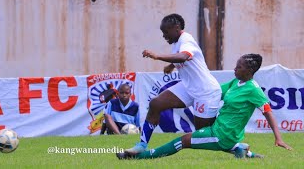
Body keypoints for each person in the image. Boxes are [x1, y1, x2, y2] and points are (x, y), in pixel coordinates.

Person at [117, 54, 292, 160]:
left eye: (239, 66)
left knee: (182, 141)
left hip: (222, 135)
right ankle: (241, 149)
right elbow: (211, 92)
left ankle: (140, 157)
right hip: (218, 128)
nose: (234, 68)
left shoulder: (253, 89)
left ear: (249, 71)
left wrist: (278, 138)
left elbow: (268, 111)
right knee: (196, 135)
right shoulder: (235, 82)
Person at [125, 13, 222, 154]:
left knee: (203, 136)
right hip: (189, 87)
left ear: (177, 28)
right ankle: (141, 145)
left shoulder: (186, 39)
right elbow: (181, 56)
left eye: (166, 32)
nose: (164, 36)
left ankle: (238, 147)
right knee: (155, 104)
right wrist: (171, 66)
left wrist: (158, 56)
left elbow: (184, 56)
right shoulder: (177, 42)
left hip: (206, 92)